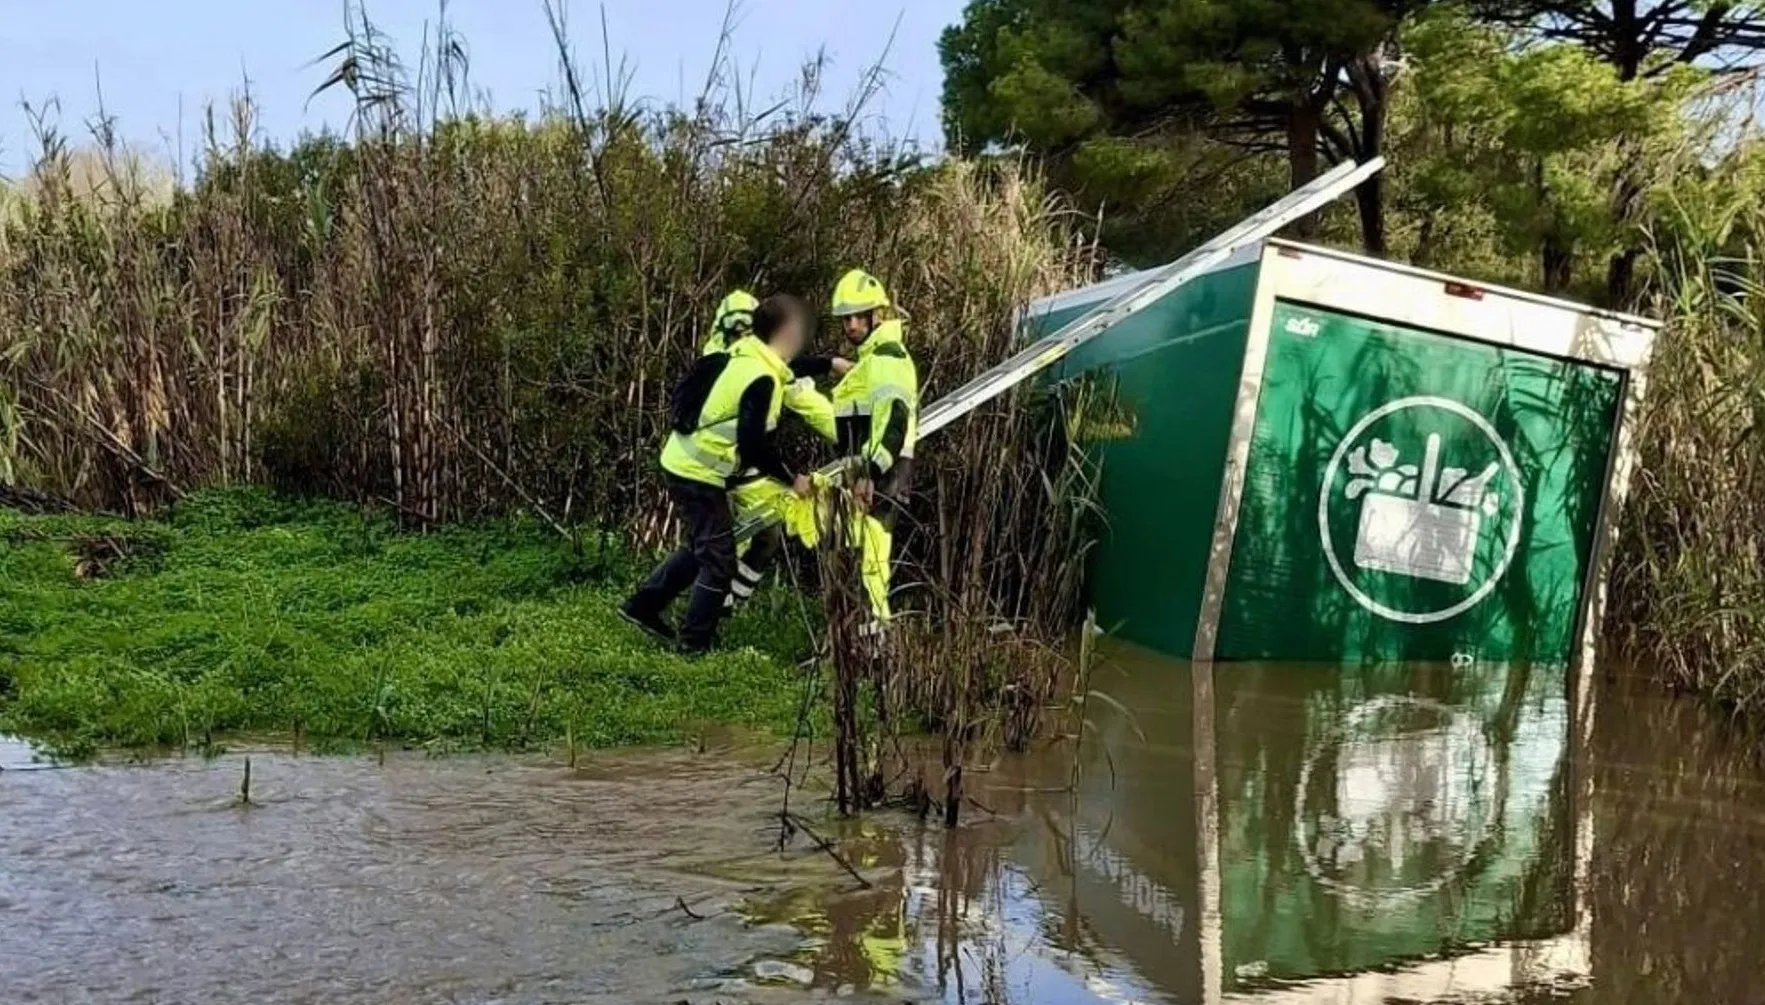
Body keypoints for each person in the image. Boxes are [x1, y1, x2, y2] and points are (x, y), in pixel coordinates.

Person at [620, 294, 820, 653]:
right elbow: (752, 444)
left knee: (701, 548)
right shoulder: (762, 377)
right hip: (698, 474)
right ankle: (694, 645)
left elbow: (793, 368)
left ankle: (641, 607)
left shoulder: (748, 356)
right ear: (785, 333)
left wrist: (827, 364)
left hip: (687, 465)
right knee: (719, 559)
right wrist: (793, 479)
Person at [828, 268, 920, 635]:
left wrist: (869, 473)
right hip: (875, 475)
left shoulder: (887, 358)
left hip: (883, 476)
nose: (850, 324)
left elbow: (894, 423)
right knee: (865, 560)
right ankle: (863, 638)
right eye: (845, 318)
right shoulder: (872, 359)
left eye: (857, 316)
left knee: (870, 562)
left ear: (876, 314)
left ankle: (873, 641)